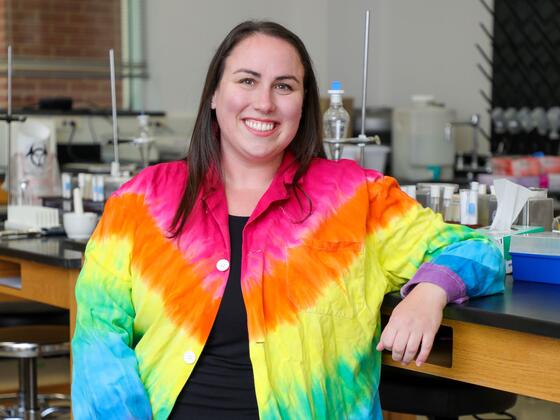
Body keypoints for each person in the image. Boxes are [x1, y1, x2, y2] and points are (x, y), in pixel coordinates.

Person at [71, 20, 505, 420]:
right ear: (214, 96)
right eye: (246, 80)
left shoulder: (356, 197)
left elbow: (476, 249)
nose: (264, 102)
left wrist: (429, 292)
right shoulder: (142, 200)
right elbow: (98, 339)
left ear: (303, 103)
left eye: (284, 86)